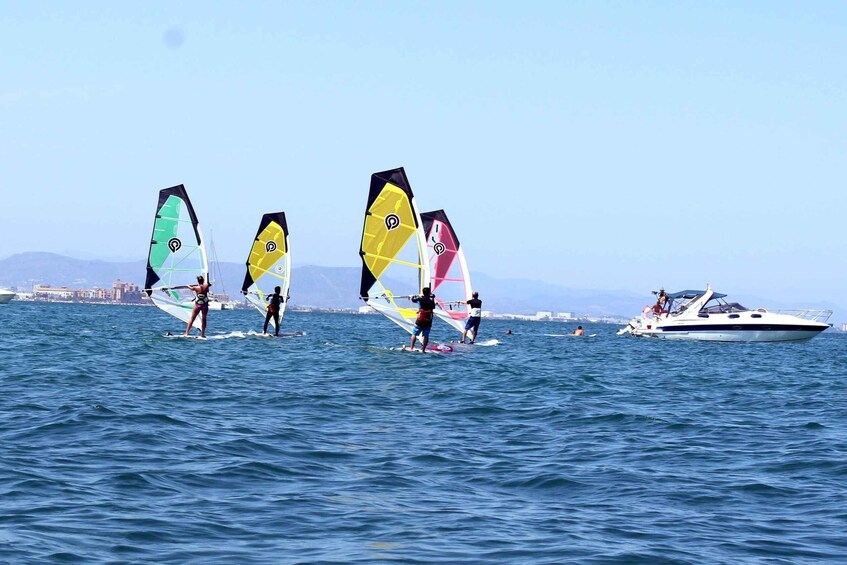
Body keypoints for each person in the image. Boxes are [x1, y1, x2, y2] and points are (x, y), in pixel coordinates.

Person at [409, 286, 436, 353]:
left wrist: (412, 296)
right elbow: (433, 307)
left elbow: (413, 300)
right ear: (429, 293)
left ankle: (411, 348)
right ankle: (423, 350)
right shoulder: (431, 301)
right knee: (426, 335)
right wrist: (432, 298)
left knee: (414, 334)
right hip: (428, 321)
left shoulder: (420, 299)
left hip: (420, 320)